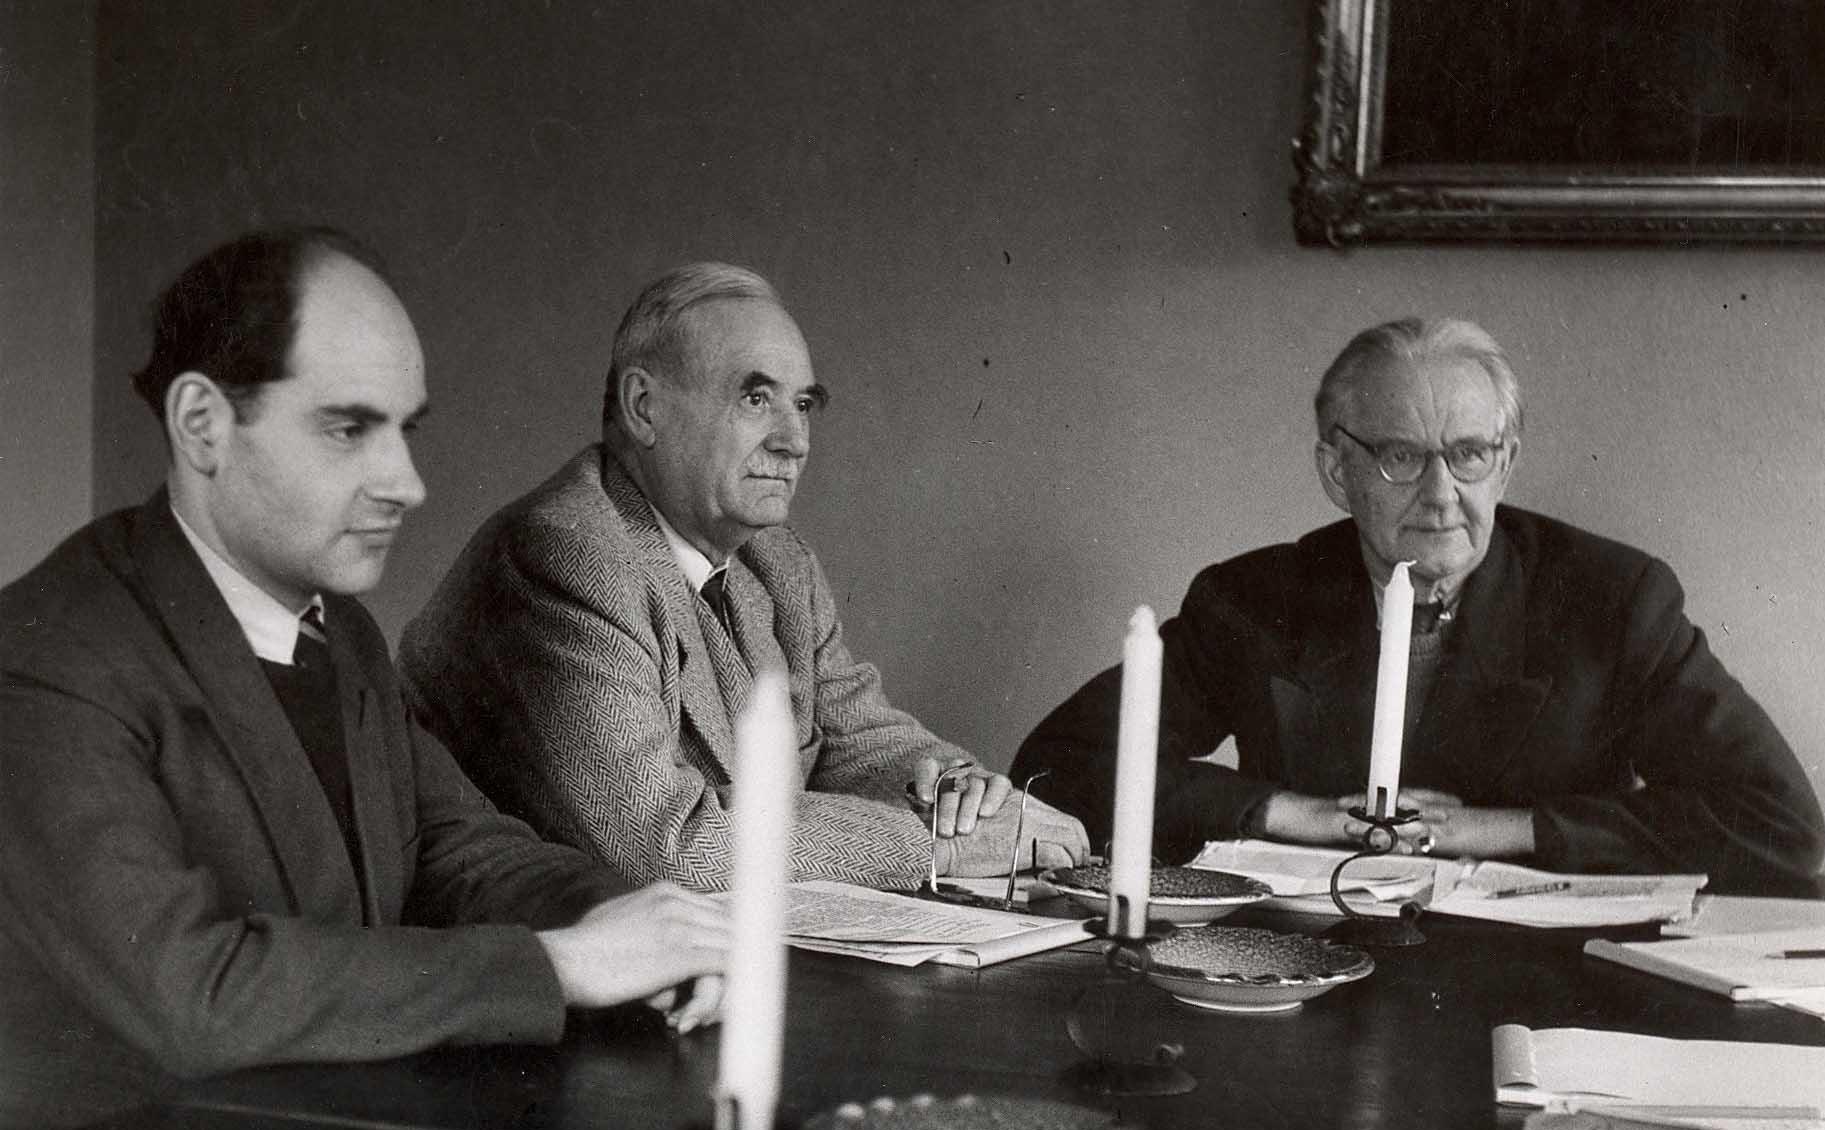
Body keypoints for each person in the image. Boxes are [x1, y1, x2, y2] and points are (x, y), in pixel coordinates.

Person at [0, 229, 729, 1130]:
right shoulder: (50, 655)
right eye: (349, 428)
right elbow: (195, 994)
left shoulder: (334, 624)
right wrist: (559, 964)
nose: (407, 482)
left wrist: (625, 915)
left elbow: (459, 847)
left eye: (404, 429)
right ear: (201, 425)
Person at [1013, 317, 1823, 897]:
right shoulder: (1253, 601)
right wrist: (1293, 814)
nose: (1442, 496)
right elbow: (1056, 765)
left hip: (1542, 979)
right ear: (1336, 470)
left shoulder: (1611, 599)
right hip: (1314, 962)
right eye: (1401, 456)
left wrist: (1500, 828)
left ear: (1504, 464)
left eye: (1468, 454)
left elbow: (1781, 825)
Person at [400, 262, 1088, 891]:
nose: (794, 440)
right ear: (645, 407)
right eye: (755, 399)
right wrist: (934, 846)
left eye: (804, 404)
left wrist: (963, 798)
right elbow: (664, 849)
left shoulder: (777, 562)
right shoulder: (562, 555)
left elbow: (859, 740)